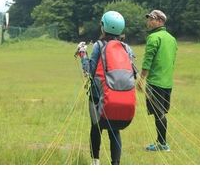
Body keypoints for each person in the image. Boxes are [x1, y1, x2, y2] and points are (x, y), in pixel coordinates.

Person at [76, 11, 136, 165]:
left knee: (96, 127)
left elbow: (90, 70)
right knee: (114, 130)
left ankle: (95, 163)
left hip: (98, 94)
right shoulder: (127, 48)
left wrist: (83, 54)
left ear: (104, 27)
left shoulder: (99, 45)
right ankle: (115, 165)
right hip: (120, 96)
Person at [137, 10, 177, 151]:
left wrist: (141, 79)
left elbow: (148, 61)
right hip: (167, 83)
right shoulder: (172, 39)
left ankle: (162, 144)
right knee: (161, 113)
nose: (149, 22)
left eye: (152, 19)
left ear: (160, 21)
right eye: (148, 19)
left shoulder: (153, 38)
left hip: (155, 82)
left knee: (158, 113)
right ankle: (161, 142)